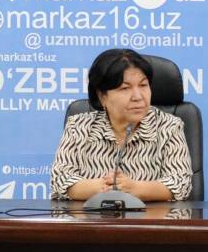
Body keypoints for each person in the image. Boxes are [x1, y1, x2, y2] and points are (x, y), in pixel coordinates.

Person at [50, 49, 192, 202]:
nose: (138, 97)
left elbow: (180, 184)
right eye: (125, 88)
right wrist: (104, 187)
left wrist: (134, 189)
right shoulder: (78, 127)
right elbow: (60, 180)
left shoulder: (168, 126)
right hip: (90, 216)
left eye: (143, 85)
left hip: (151, 216)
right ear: (102, 96)